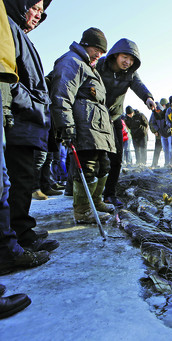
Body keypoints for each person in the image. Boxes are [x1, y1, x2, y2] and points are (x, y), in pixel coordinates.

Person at [3, 0, 58, 252]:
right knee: (18, 179)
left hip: (27, 120)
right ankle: (19, 234)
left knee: (23, 179)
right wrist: (35, 103)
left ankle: (23, 229)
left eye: (41, 11)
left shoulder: (21, 35)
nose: (38, 15)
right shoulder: (9, 29)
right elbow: (9, 81)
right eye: (34, 8)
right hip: (19, 119)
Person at [49, 27, 116, 223]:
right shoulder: (72, 62)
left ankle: (96, 201)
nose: (100, 55)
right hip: (84, 128)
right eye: (98, 50)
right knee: (86, 168)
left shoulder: (88, 66)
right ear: (87, 44)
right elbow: (61, 95)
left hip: (98, 130)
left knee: (103, 166)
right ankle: (83, 210)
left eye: (103, 52)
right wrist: (66, 126)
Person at [96, 38, 155, 204]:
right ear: (116, 55)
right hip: (96, 116)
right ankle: (79, 189)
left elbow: (139, 85)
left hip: (114, 116)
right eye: (125, 57)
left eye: (131, 60)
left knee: (117, 157)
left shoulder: (131, 73)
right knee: (95, 156)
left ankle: (109, 194)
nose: (127, 62)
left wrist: (148, 98)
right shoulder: (101, 65)